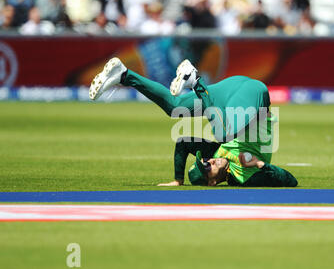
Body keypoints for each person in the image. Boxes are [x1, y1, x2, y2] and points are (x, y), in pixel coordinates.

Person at [89, 58, 298, 187]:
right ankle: (124, 75)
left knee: (212, 128)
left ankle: (195, 80)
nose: (209, 161)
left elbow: (183, 142)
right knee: (178, 109)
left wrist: (177, 179)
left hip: (233, 94)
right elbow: (289, 180)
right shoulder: (244, 177)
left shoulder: (218, 154)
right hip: (253, 96)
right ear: (213, 182)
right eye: (207, 167)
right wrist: (259, 164)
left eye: (204, 162)